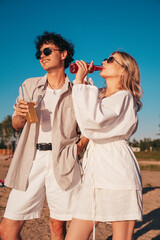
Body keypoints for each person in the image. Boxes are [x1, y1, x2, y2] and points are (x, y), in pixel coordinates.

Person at [0, 31, 89, 240]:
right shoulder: (29, 85)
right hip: (31, 160)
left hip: (64, 159)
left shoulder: (79, 87)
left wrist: (77, 148)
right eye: (39, 53)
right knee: (7, 226)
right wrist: (20, 116)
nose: (42, 56)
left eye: (47, 51)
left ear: (64, 54)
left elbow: (89, 128)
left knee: (57, 225)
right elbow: (16, 124)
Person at [65, 51, 143, 240]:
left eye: (110, 60)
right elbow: (84, 111)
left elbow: (94, 121)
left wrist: (81, 82)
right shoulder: (98, 96)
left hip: (117, 169)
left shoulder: (124, 97)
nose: (102, 61)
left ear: (124, 71)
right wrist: (82, 82)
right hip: (94, 172)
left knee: (121, 237)